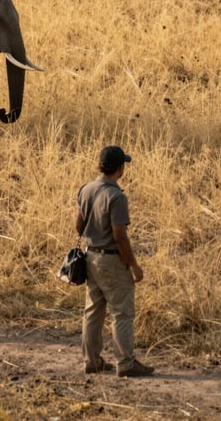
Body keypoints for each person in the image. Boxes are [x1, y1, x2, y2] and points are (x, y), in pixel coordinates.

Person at [75, 145, 154, 377]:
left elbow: (78, 226)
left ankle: (91, 360)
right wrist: (134, 265)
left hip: (90, 256)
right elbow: (120, 235)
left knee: (93, 311)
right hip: (111, 260)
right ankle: (126, 363)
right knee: (122, 312)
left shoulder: (86, 189)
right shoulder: (117, 197)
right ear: (120, 168)